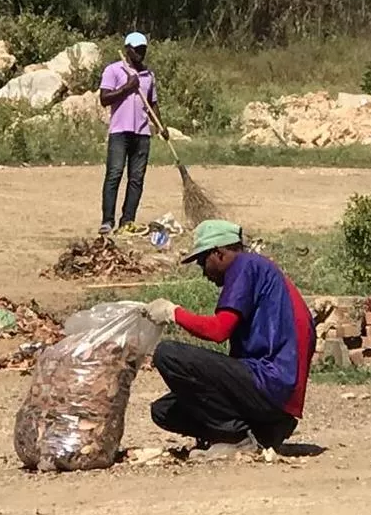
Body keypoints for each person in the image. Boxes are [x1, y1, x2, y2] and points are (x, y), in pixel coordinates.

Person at [142, 220, 316, 458]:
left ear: (219, 253)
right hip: (275, 393)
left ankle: (235, 437)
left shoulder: (244, 266)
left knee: (168, 354)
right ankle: (261, 432)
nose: (204, 272)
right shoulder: (259, 269)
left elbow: (218, 330)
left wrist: (174, 313)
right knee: (163, 410)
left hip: (271, 383)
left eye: (203, 261)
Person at [97, 31, 170, 236]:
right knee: (114, 174)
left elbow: (153, 104)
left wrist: (160, 126)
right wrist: (128, 88)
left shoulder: (149, 76)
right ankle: (107, 221)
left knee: (136, 178)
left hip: (142, 133)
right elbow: (104, 98)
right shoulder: (114, 70)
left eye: (143, 50)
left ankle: (127, 220)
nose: (140, 53)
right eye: (137, 50)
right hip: (120, 131)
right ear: (128, 49)